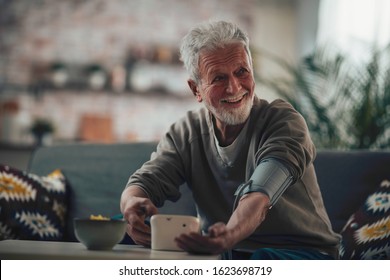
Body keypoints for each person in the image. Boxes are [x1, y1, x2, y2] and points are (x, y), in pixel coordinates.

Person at [120, 20, 341, 259]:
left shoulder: (283, 122)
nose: (234, 87)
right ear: (196, 90)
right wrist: (132, 205)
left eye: (241, 72)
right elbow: (144, 182)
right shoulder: (186, 132)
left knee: (260, 259)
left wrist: (229, 234)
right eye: (218, 78)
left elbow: (260, 195)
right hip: (226, 253)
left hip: (304, 254)